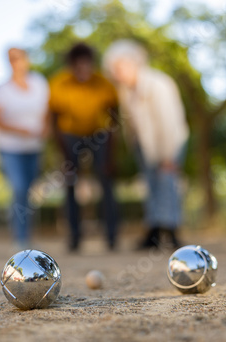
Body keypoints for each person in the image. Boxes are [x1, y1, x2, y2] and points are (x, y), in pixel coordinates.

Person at [103, 40, 189, 249]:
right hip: (144, 147)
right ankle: (155, 231)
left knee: (167, 184)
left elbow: (170, 122)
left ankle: (172, 232)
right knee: (151, 187)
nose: (116, 73)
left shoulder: (158, 84)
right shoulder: (126, 91)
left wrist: (169, 154)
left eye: (120, 67)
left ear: (134, 63)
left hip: (169, 143)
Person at [49, 43, 120, 252]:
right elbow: (54, 120)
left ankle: (112, 237)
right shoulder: (59, 83)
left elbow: (114, 118)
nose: (83, 69)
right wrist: (64, 156)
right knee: (71, 184)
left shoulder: (104, 83)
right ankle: (74, 237)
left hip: (99, 135)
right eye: (78, 65)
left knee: (106, 182)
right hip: (69, 136)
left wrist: (110, 155)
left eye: (86, 64)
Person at [0, 48, 49, 249]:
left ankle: (27, 234)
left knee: (30, 190)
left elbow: (47, 112)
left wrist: (44, 129)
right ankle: (20, 237)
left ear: (26, 60)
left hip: (34, 147)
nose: (16, 62)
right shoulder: (4, 90)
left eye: (19, 58)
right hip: (10, 148)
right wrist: (19, 130)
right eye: (12, 59)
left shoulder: (39, 83)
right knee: (19, 188)